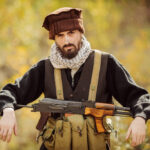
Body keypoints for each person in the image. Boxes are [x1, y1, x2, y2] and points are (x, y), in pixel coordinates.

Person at [0, 7, 150, 150]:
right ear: (54, 38)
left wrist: (140, 118)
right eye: (60, 35)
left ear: (80, 32)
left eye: (71, 33)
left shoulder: (106, 63)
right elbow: (10, 92)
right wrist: (7, 110)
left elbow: (138, 96)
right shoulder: (45, 67)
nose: (66, 41)